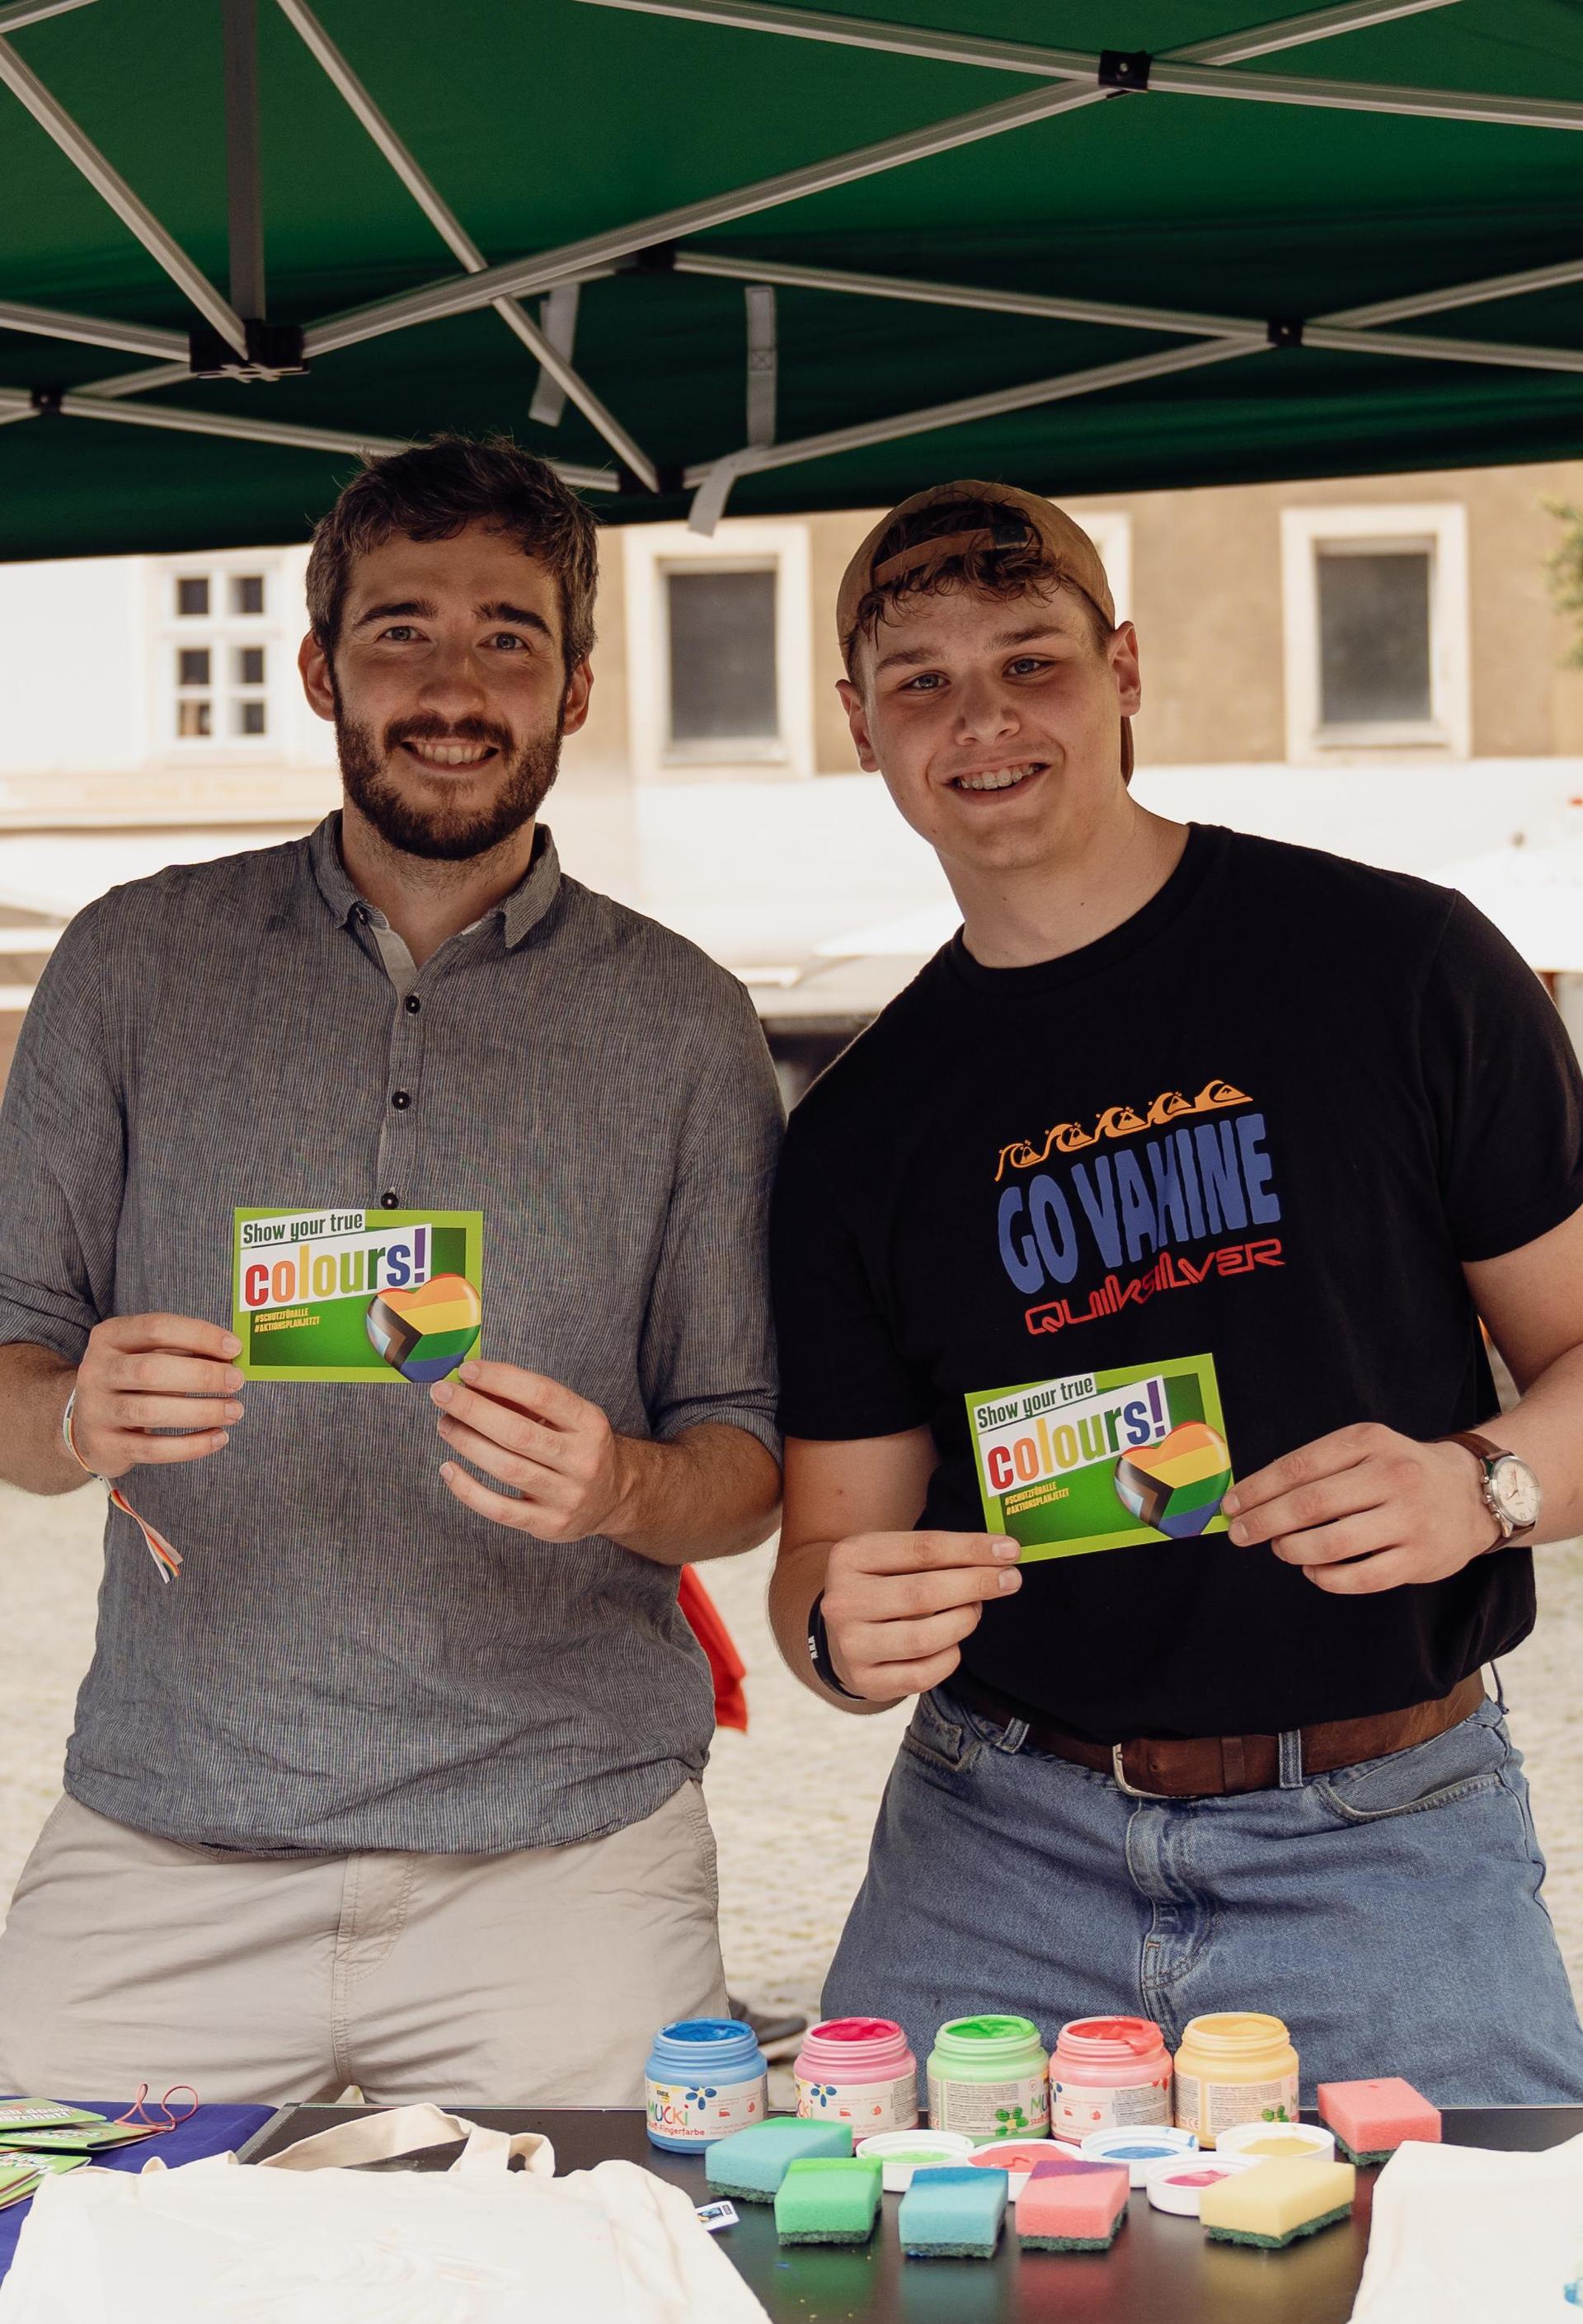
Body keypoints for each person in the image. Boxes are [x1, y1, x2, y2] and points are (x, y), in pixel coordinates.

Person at [767, 478, 1583, 2101]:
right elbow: (822, 1560)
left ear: (1125, 667)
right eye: (921, 679)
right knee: (887, 2309)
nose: (981, 719)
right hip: (998, 1833)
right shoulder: (857, 1130)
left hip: (1384, 1826)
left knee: (1494, 2303)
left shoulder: (1404, 967)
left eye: (1032, 660)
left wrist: (1484, 1485)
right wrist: (841, 1640)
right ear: (861, 727)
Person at [0, 434, 782, 2106]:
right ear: (316, 670)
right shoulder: (133, 961)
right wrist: (72, 1418)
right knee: (52, 2294)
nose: (452, 684)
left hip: (568, 1858)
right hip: (166, 1847)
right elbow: (6, 1380)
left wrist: (621, 1483)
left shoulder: (688, 1022)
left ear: (576, 685)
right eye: (399, 631)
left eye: (507, 635)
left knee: (621, 2301)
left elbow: (745, 1467)